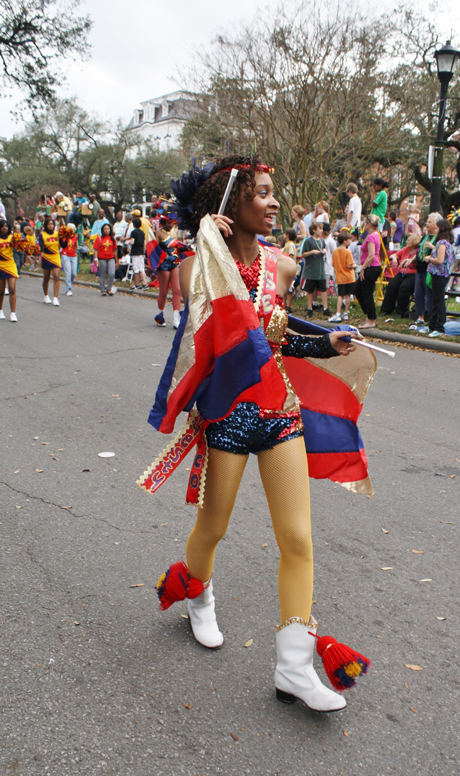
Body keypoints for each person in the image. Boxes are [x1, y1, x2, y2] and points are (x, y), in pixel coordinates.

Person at [148, 154, 372, 712]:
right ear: (231, 203)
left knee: (297, 538)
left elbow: (275, 335)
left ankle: (294, 667)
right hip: (227, 416)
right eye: (263, 194)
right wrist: (203, 239)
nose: (274, 203)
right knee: (213, 527)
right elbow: (207, 320)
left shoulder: (285, 266)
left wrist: (325, 343)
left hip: (280, 413)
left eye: (275, 193)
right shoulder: (199, 267)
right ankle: (197, 594)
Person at [419, 218, 455, 337]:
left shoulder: (442, 243)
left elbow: (440, 260)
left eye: (438, 228)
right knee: (435, 300)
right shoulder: (445, 242)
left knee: (439, 301)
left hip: (440, 274)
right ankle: (432, 325)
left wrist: (429, 259)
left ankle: (439, 326)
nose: (436, 229)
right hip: (439, 274)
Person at [410, 213, 441, 329]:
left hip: (429, 269)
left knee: (429, 295)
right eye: (427, 222)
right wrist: (411, 259)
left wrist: (432, 246)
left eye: (429, 222)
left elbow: (440, 252)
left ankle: (432, 319)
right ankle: (420, 317)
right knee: (418, 293)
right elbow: (419, 250)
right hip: (420, 267)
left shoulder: (438, 237)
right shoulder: (425, 235)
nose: (427, 224)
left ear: (436, 224)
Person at [379, 233, 421, 318]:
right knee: (391, 285)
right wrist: (394, 258)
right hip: (402, 273)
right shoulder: (405, 249)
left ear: (414, 242)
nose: (407, 241)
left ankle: (401, 312)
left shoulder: (418, 251)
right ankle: (387, 309)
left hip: (412, 274)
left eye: (409, 240)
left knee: (404, 287)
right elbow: (393, 255)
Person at [153, 215, 182, 329]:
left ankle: (176, 319)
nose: (171, 225)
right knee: (164, 292)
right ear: (163, 222)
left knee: (177, 290)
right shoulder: (158, 233)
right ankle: (160, 315)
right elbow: (154, 249)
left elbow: (178, 247)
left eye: (172, 223)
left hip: (175, 262)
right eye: (169, 223)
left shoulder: (175, 232)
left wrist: (186, 248)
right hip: (163, 264)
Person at [353, 214, 382, 329]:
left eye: (365, 223)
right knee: (358, 290)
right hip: (371, 266)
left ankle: (371, 319)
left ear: (369, 224)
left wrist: (363, 268)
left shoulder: (371, 237)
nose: (364, 225)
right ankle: (369, 315)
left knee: (367, 293)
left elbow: (371, 255)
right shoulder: (375, 235)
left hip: (370, 267)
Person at [300, 222, 332, 319]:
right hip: (310, 271)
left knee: (323, 289)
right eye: (320, 228)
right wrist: (312, 252)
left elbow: (323, 249)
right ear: (314, 230)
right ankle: (310, 308)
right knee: (310, 290)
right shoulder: (308, 241)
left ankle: (325, 308)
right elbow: (303, 254)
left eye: (322, 229)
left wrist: (324, 251)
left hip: (320, 270)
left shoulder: (322, 241)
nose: (322, 230)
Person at [330, 230, 356, 322]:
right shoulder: (348, 252)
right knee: (348, 295)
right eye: (349, 239)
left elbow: (333, 264)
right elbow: (349, 265)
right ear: (345, 241)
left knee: (340, 295)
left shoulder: (335, 251)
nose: (351, 241)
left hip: (340, 277)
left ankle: (337, 313)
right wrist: (355, 265)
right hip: (349, 277)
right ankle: (345, 313)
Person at [0, 220, 22, 321]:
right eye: (3, 226)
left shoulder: (12, 238)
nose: (5, 228)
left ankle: (13, 313)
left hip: (10, 264)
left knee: (12, 289)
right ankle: (0, 310)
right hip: (0, 265)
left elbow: (20, 247)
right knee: (1, 291)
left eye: (6, 226)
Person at [38, 218, 62, 306]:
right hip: (47, 257)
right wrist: (40, 257)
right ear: (45, 225)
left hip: (56, 256)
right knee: (46, 277)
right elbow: (40, 247)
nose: (50, 225)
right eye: (48, 224)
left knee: (56, 276)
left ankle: (55, 297)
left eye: (52, 224)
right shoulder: (42, 235)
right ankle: (46, 295)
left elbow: (63, 245)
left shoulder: (57, 234)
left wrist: (64, 237)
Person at [93, 223, 118, 296]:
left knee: (112, 273)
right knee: (103, 274)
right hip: (102, 258)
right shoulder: (99, 238)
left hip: (111, 258)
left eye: (108, 229)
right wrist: (96, 259)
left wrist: (117, 261)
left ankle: (109, 288)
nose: (106, 230)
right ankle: (102, 290)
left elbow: (115, 251)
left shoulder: (112, 239)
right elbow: (95, 250)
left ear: (110, 230)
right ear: (103, 230)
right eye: (105, 229)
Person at [126, 216, 149, 290]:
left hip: (135, 252)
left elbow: (132, 242)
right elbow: (144, 243)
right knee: (141, 268)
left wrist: (129, 242)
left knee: (136, 269)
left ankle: (139, 284)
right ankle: (142, 283)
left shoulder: (133, 232)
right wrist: (143, 252)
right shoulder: (142, 233)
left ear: (133, 225)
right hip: (141, 252)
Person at [59, 223, 78, 296]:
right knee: (68, 272)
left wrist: (75, 253)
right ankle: (68, 289)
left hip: (73, 256)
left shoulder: (75, 237)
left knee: (74, 273)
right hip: (65, 255)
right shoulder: (64, 236)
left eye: (73, 230)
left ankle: (70, 285)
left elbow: (76, 245)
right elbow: (61, 245)